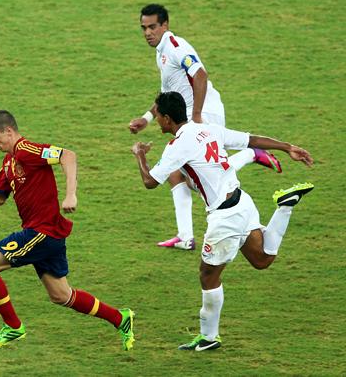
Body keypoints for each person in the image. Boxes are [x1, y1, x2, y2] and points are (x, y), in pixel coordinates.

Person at [131, 91, 313, 351]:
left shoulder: (178, 145)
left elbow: (150, 182)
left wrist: (139, 155)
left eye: (158, 116)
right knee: (262, 260)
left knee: (208, 275)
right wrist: (287, 147)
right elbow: (250, 140)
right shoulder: (208, 129)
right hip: (242, 202)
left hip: (224, 218)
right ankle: (285, 207)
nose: (157, 120)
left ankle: (208, 337)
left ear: (168, 119)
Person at [0, 110, 135, 350]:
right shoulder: (9, 162)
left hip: (41, 232)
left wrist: (71, 194)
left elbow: (68, 155)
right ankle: (121, 318)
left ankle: (13, 328)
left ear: (9, 131)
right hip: (47, 236)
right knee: (61, 296)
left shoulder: (27, 150)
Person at [129, 4, 283, 250]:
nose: (148, 32)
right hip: (190, 114)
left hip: (204, 113)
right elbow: (167, 93)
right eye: (144, 28)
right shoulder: (161, 52)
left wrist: (198, 116)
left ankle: (251, 154)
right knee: (177, 171)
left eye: (152, 27)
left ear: (165, 25)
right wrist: (147, 118)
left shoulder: (177, 47)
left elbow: (200, 75)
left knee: (201, 175)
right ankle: (185, 236)